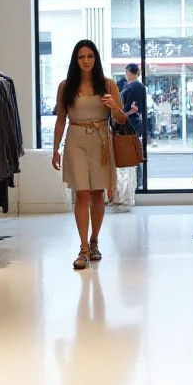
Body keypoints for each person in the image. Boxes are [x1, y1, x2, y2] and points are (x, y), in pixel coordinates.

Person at [52, 40, 127, 269]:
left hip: (101, 140)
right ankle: (83, 248)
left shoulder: (108, 84)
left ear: (96, 59)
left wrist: (114, 106)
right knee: (81, 194)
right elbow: (61, 119)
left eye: (90, 56)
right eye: (81, 57)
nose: (86, 61)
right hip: (75, 139)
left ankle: (94, 240)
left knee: (97, 194)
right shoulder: (66, 86)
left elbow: (122, 120)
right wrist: (55, 149)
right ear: (75, 60)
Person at [120, 63, 147, 186]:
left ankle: (135, 181)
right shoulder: (136, 86)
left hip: (131, 124)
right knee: (133, 151)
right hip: (133, 123)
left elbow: (134, 108)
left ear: (129, 72)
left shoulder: (134, 87)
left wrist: (123, 115)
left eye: (126, 72)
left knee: (131, 152)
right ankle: (136, 181)